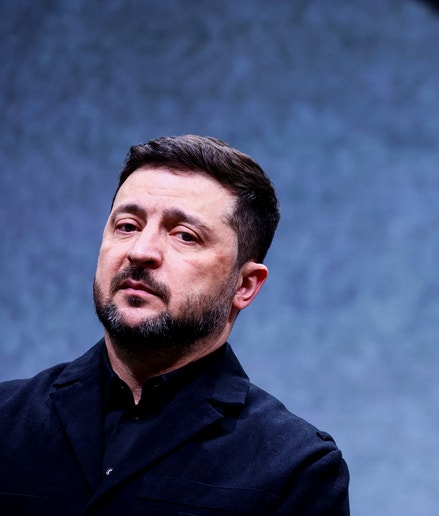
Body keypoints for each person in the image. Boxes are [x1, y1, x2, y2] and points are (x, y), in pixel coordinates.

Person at [0, 135, 349, 514]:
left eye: (185, 235)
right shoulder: (6, 417)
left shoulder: (295, 468)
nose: (140, 251)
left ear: (245, 285)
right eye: (127, 226)